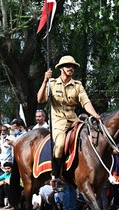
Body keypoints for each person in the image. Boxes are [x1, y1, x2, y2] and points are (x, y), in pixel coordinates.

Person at [37, 55, 100, 190]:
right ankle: (57, 176)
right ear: (61, 69)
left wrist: (94, 114)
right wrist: (44, 80)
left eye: (72, 66)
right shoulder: (52, 83)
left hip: (73, 119)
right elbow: (40, 100)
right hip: (58, 121)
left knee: (88, 138)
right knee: (59, 145)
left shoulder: (77, 85)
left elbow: (86, 102)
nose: (70, 68)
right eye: (67, 66)